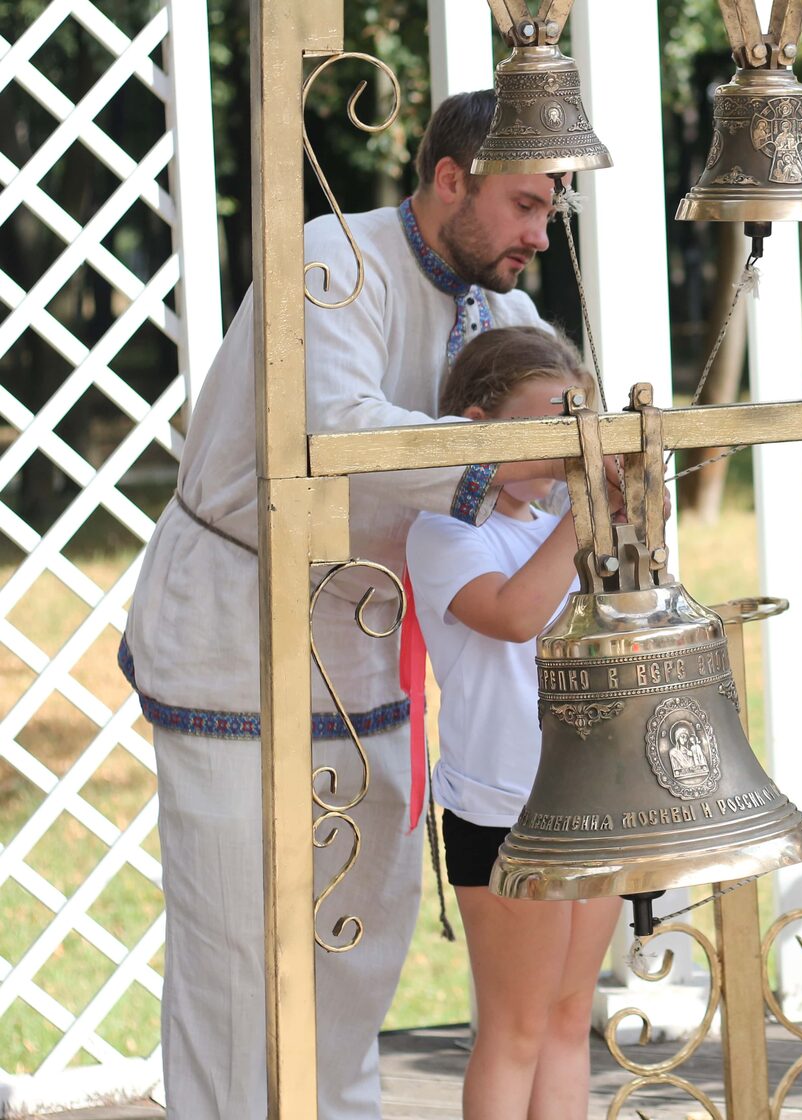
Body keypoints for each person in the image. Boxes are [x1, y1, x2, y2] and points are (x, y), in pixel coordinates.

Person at [120, 91, 568, 1117]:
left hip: (366, 646)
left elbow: (563, 404)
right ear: (450, 178)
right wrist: (518, 459)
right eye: (526, 205)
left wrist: (608, 453)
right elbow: (344, 427)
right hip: (237, 629)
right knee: (236, 957)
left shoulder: (503, 306)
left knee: (359, 944)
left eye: (553, 213)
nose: (539, 237)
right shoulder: (335, 256)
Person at [405, 326, 617, 1120]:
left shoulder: (545, 524)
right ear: (476, 428)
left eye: (578, 428)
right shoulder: (446, 531)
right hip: (503, 808)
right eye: (552, 428)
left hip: (586, 797)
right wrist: (587, 512)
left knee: (567, 1023)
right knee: (517, 1028)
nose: (570, 451)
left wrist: (628, 520)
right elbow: (513, 613)